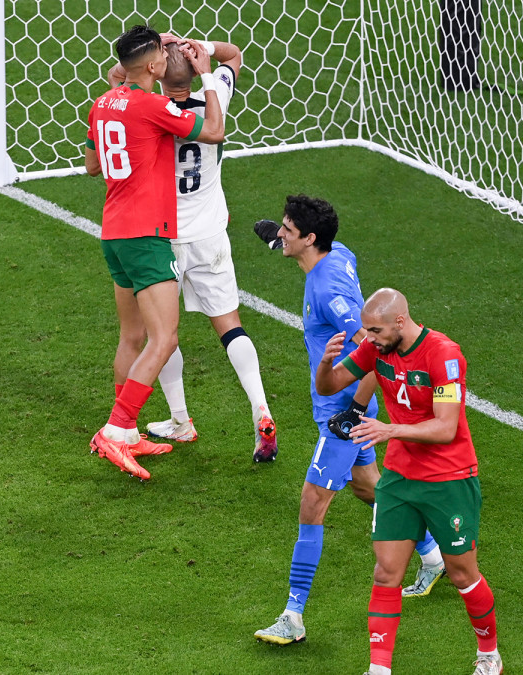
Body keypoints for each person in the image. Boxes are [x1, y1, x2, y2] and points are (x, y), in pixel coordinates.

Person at [251, 197, 442, 646]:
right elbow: (325, 253)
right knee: (366, 485)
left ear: (310, 238)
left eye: (287, 230)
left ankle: (293, 615)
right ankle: (433, 553)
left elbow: (375, 351)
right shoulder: (339, 254)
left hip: (342, 412)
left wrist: (354, 410)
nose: (280, 234)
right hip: (343, 407)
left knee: (311, 507)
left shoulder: (328, 295)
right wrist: (275, 241)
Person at [316, 288, 502, 675]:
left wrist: (389, 431)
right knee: (386, 573)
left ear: (400, 322)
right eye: (367, 331)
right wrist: (324, 364)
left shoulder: (444, 354)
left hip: (448, 479)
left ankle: (489, 656)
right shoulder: (377, 348)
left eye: (376, 330)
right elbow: (329, 386)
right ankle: (379, 670)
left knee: (462, 572)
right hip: (400, 479)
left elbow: (446, 427)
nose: (368, 338)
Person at [110, 35, 278, 462]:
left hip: (160, 233)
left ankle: (180, 419)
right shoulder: (215, 93)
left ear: (159, 73)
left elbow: (119, 77)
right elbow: (235, 53)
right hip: (209, 234)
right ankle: (261, 408)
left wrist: (160, 47)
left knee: (159, 333)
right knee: (230, 325)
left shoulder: (150, 109)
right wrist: (196, 50)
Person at [84, 25, 224, 480]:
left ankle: (125, 432)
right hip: (147, 236)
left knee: (132, 337)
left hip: (114, 231)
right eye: (161, 55)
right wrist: (205, 76)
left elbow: (92, 166)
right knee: (165, 338)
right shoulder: (154, 107)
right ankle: (117, 427)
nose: (168, 59)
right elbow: (216, 130)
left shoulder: (103, 103)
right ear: (151, 67)